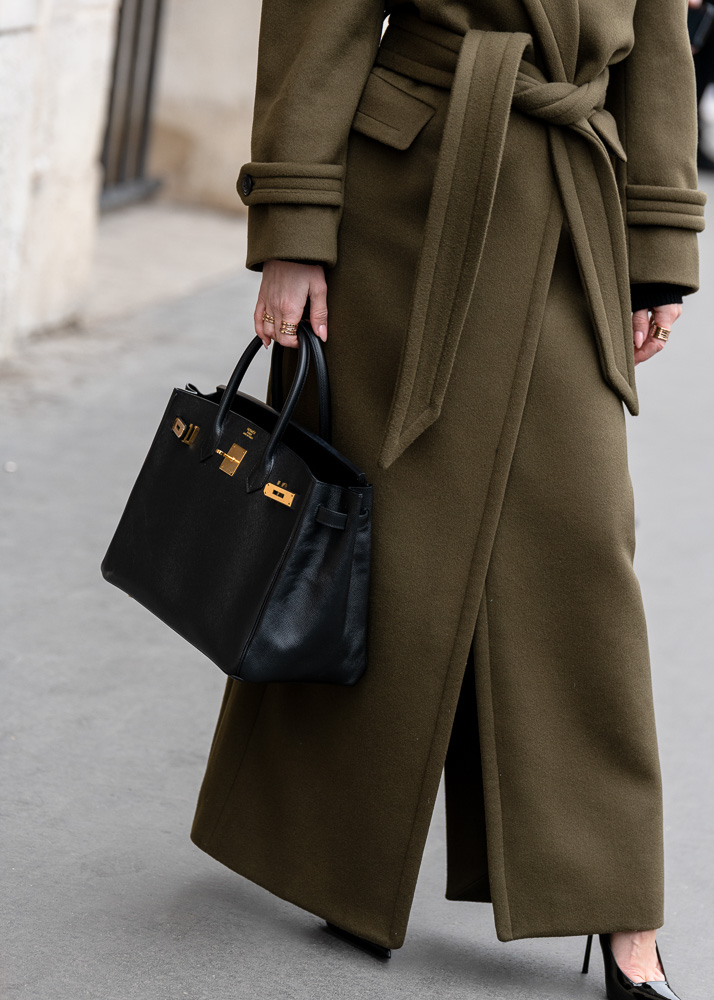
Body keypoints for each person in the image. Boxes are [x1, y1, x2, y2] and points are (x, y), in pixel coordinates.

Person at [190, 2, 706, 996]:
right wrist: (297, 223)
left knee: (584, 547)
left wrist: (659, 238)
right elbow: (322, 19)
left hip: (569, 207)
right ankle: (330, 850)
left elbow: (662, 46)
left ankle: (619, 905)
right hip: (411, 202)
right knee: (383, 537)